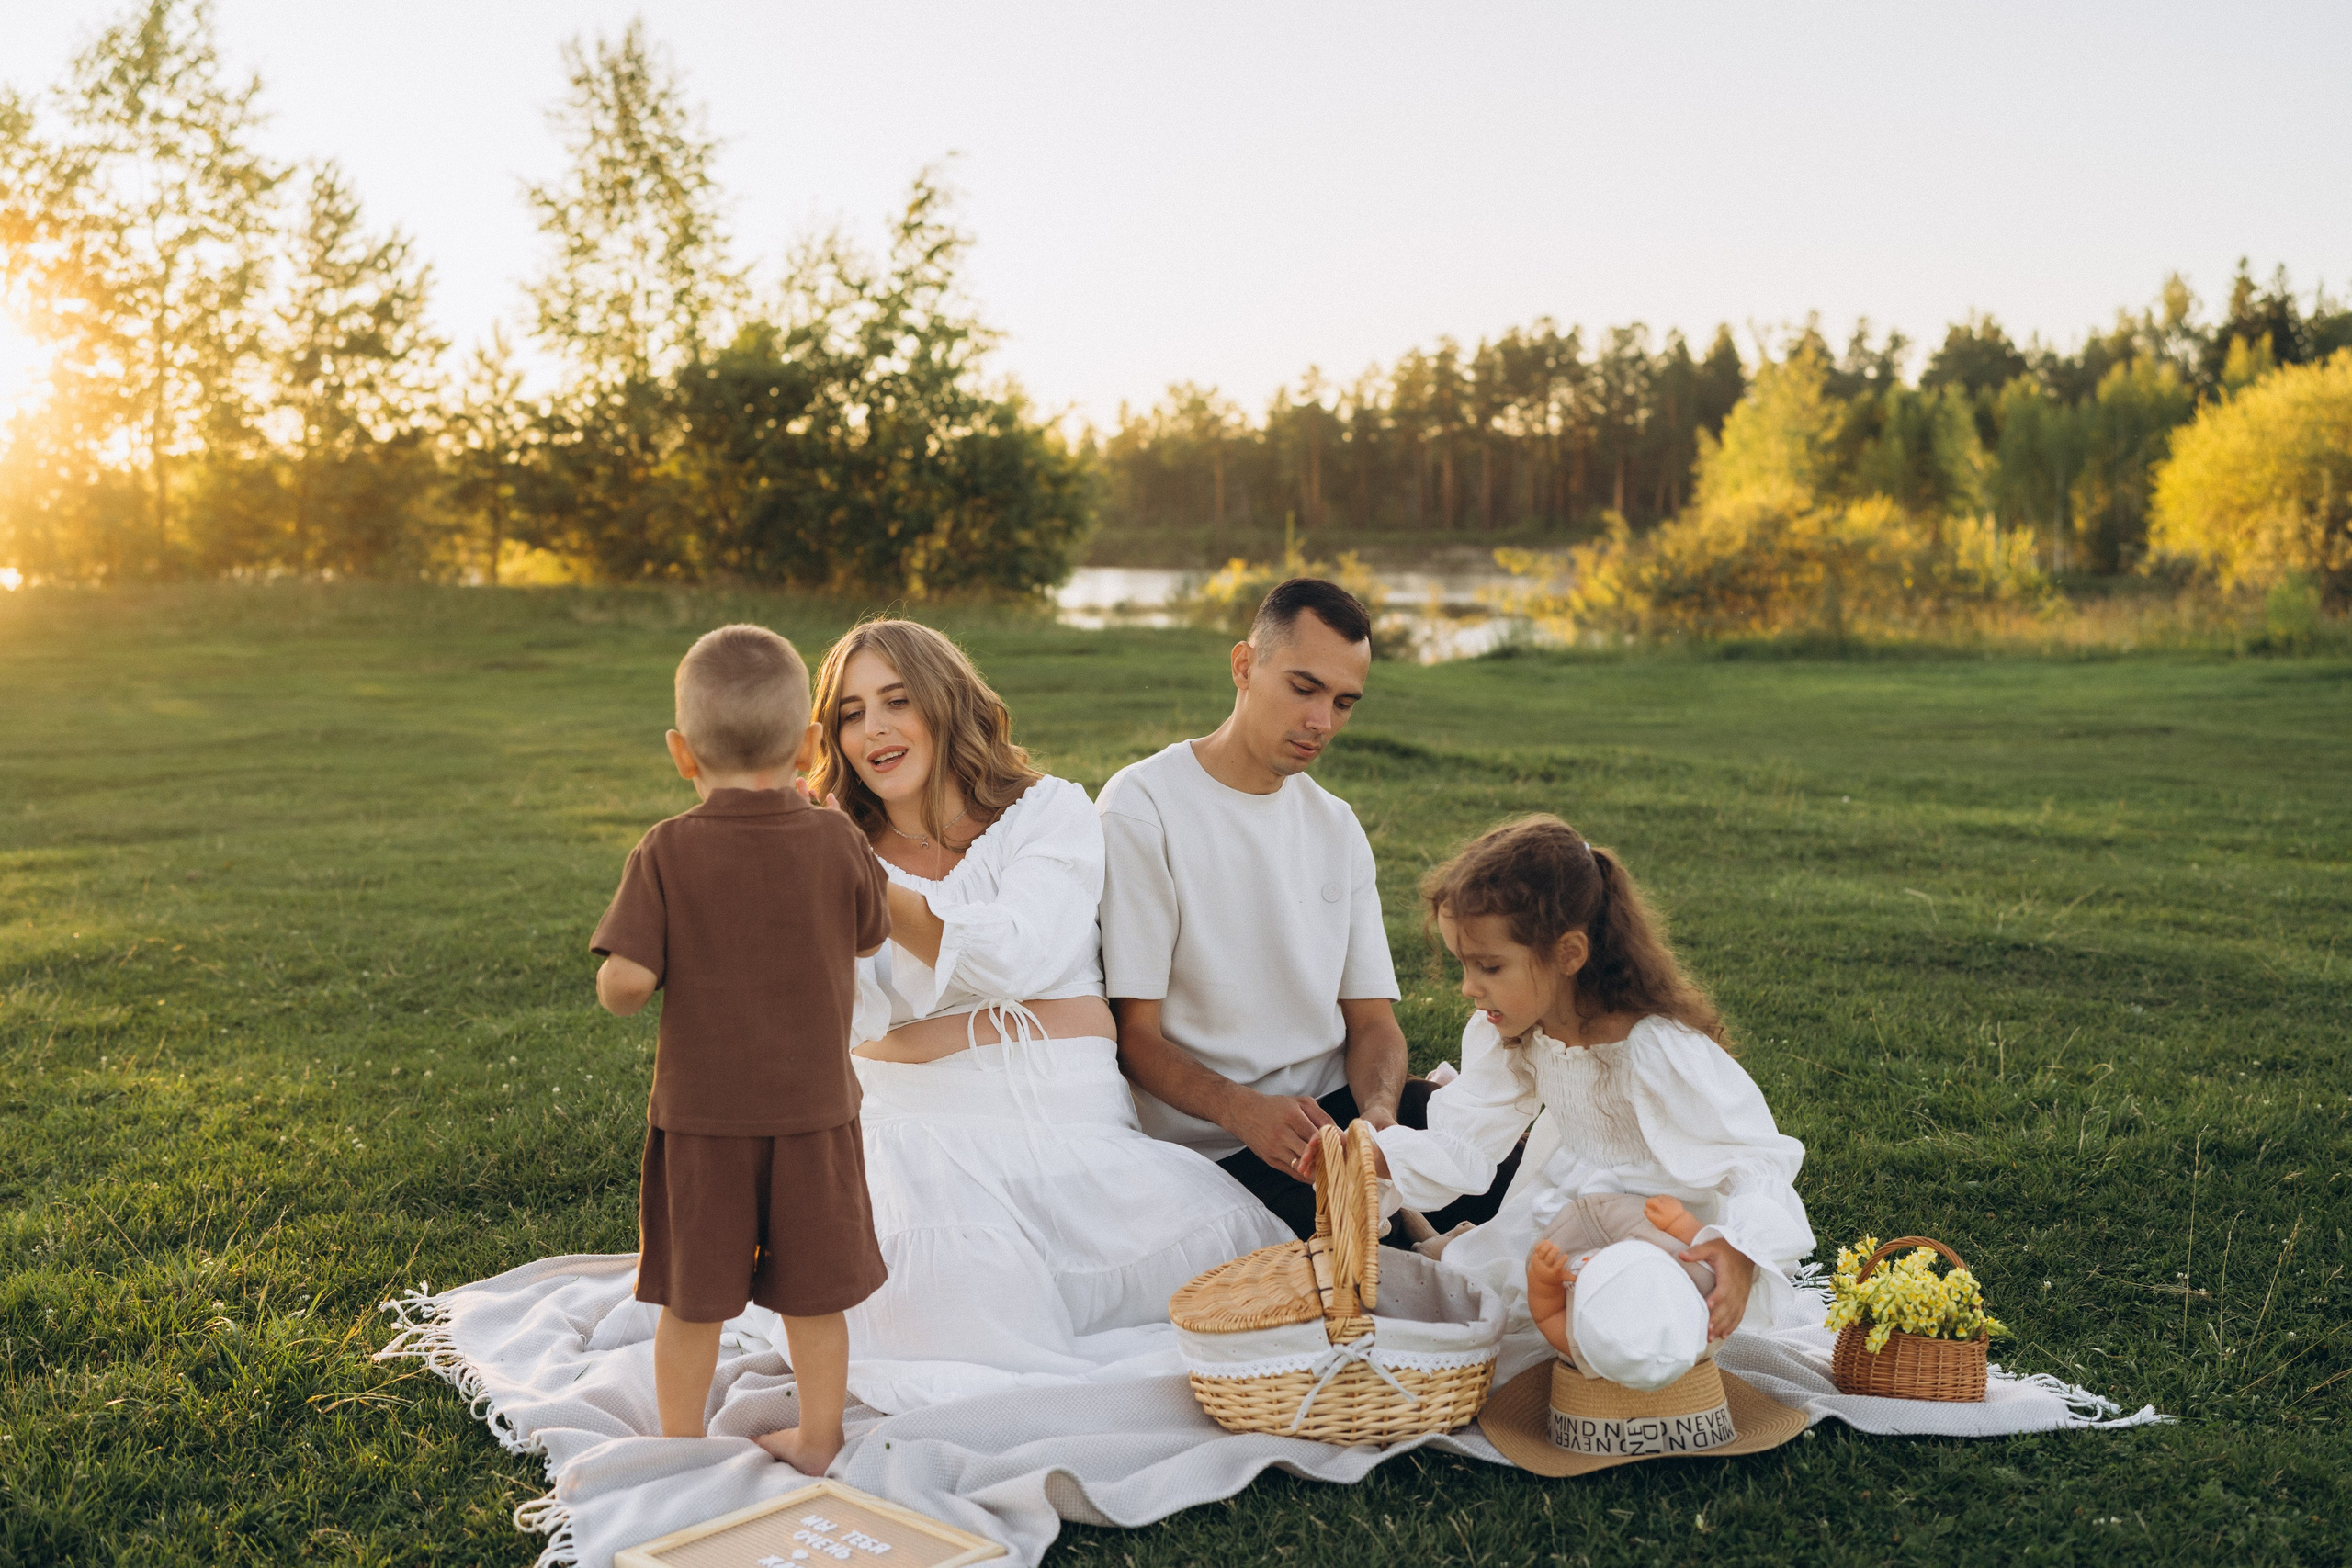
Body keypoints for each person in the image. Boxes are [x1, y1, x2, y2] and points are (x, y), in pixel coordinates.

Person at [763, 618, 1291, 1413]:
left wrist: (870, 898)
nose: (874, 728)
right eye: (849, 712)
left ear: (945, 704)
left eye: (897, 700)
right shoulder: (836, 846)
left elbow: (1017, 951)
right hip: (920, 1125)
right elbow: (855, 1014)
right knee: (945, 1295)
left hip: (1072, 1126)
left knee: (1231, 1259)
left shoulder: (1051, 812)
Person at [1098, 577, 1518, 1242]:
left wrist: (1380, 1115)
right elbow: (1134, 1038)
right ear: (1244, 664)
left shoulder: (1336, 826)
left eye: (1344, 701)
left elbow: (1373, 1023)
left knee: (1533, 1179)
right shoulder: (1143, 806)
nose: (1322, 721)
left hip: (1344, 1118)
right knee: (1389, 1266)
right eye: (1304, 687)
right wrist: (1246, 1112)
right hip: (1221, 1150)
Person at [590, 625, 891, 1475]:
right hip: (816, 1118)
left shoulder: (667, 850)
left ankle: (680, 1444)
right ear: (805, 744)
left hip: (704, 1126)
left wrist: (617, 973)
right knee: (814, 1295)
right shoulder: (838, 840)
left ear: (682, 753)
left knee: (693, 1300)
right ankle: (821, 1437)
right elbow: (869, 937)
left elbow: (628, 986)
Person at [1362, 814, 1815, 1352]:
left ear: (1569, 954)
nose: (1468, 988)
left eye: (1489, 967)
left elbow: (1753, 1160)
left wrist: (1738, 1250)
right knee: (1478, 1297)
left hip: (1661, 1223)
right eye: (1464, 965)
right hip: (1569, 1210)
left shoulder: (1656, 1049)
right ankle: (1457, 1255)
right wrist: (1378, 1156)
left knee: (1630, 1310)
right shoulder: (1517, 1036)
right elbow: (1468, 1139)